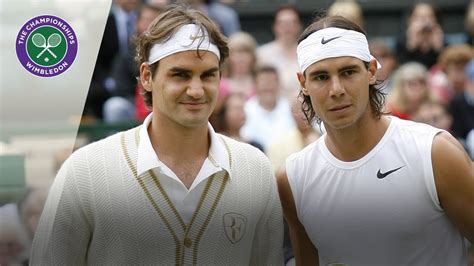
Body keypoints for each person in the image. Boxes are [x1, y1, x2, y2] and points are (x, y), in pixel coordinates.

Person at [30, 5, 283, 264]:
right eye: (180, 75)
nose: (196, 90)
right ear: (147, 76)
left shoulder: (256, 170)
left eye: (208, 75)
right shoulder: (84, 171)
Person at [277, 15, 474, 265]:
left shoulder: (435, 152)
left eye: (348, 72)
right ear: (303, 83)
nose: (336, 89)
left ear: (371, 71)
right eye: (321, 77)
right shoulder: (292, 179)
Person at [257, 4, 303, 100]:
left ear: (299, 26)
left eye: (291, 23)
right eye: (283, 23)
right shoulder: (262, 54)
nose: (287, 27)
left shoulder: (307, 52)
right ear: (275, 26)